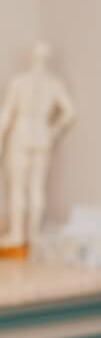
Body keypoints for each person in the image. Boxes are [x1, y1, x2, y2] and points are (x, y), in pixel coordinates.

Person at [0, 41, 76, 250]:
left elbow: (5, 116)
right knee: (37, 189)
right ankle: (34, 234)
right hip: (41, 135)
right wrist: (53, 131)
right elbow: (69, 113)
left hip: (21, 135)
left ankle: (18, 234)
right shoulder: (54, 84)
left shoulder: (19, 82)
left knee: (18, 187)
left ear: (30, 56)